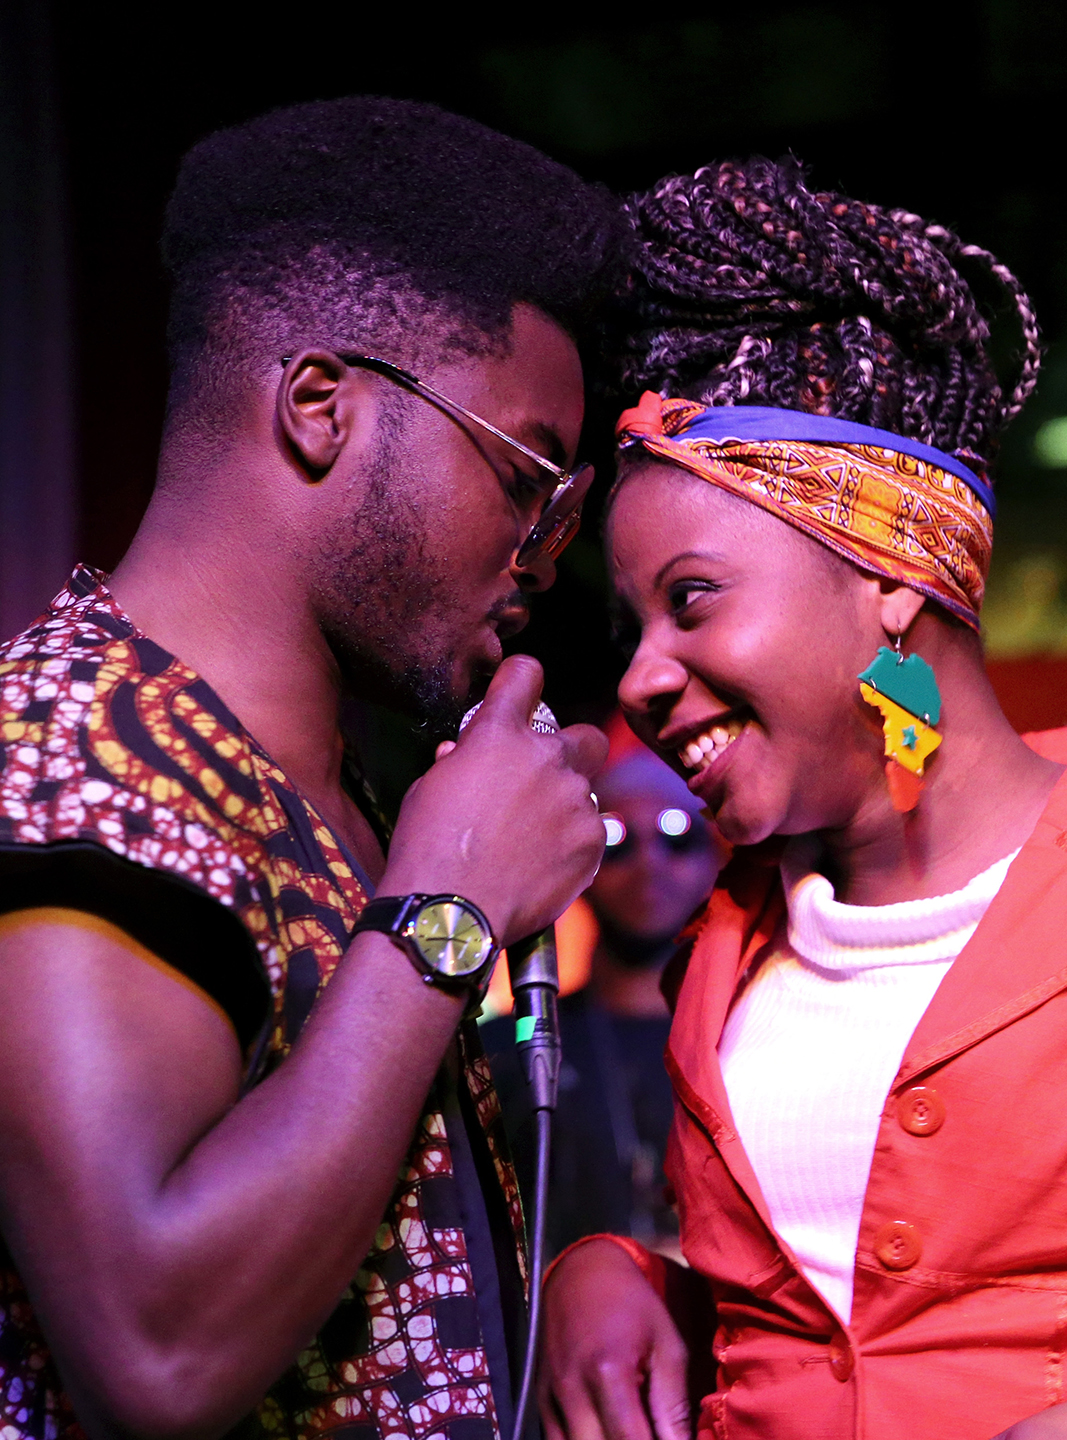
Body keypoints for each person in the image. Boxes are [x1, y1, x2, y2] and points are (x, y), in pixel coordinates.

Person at [0, 97, 620, 1440]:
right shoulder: (64, 756)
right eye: (528, 476)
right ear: (323, 408)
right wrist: (448, 908)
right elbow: (154, 1351)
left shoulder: (350, 794)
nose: (545, 549)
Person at [540, 157, 1067, 1440]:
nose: (642, 677)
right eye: (631, 622)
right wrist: (609, 1270)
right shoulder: (715, 952)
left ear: (887, 576)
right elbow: (811, 1303)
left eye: (691, 597)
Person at [486, 715, 724, 1255]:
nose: (649, 863)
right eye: (615, 841)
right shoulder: (512, 1052)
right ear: (579, 870)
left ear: (715, 860)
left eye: (677, 836)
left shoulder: (762, 1037)